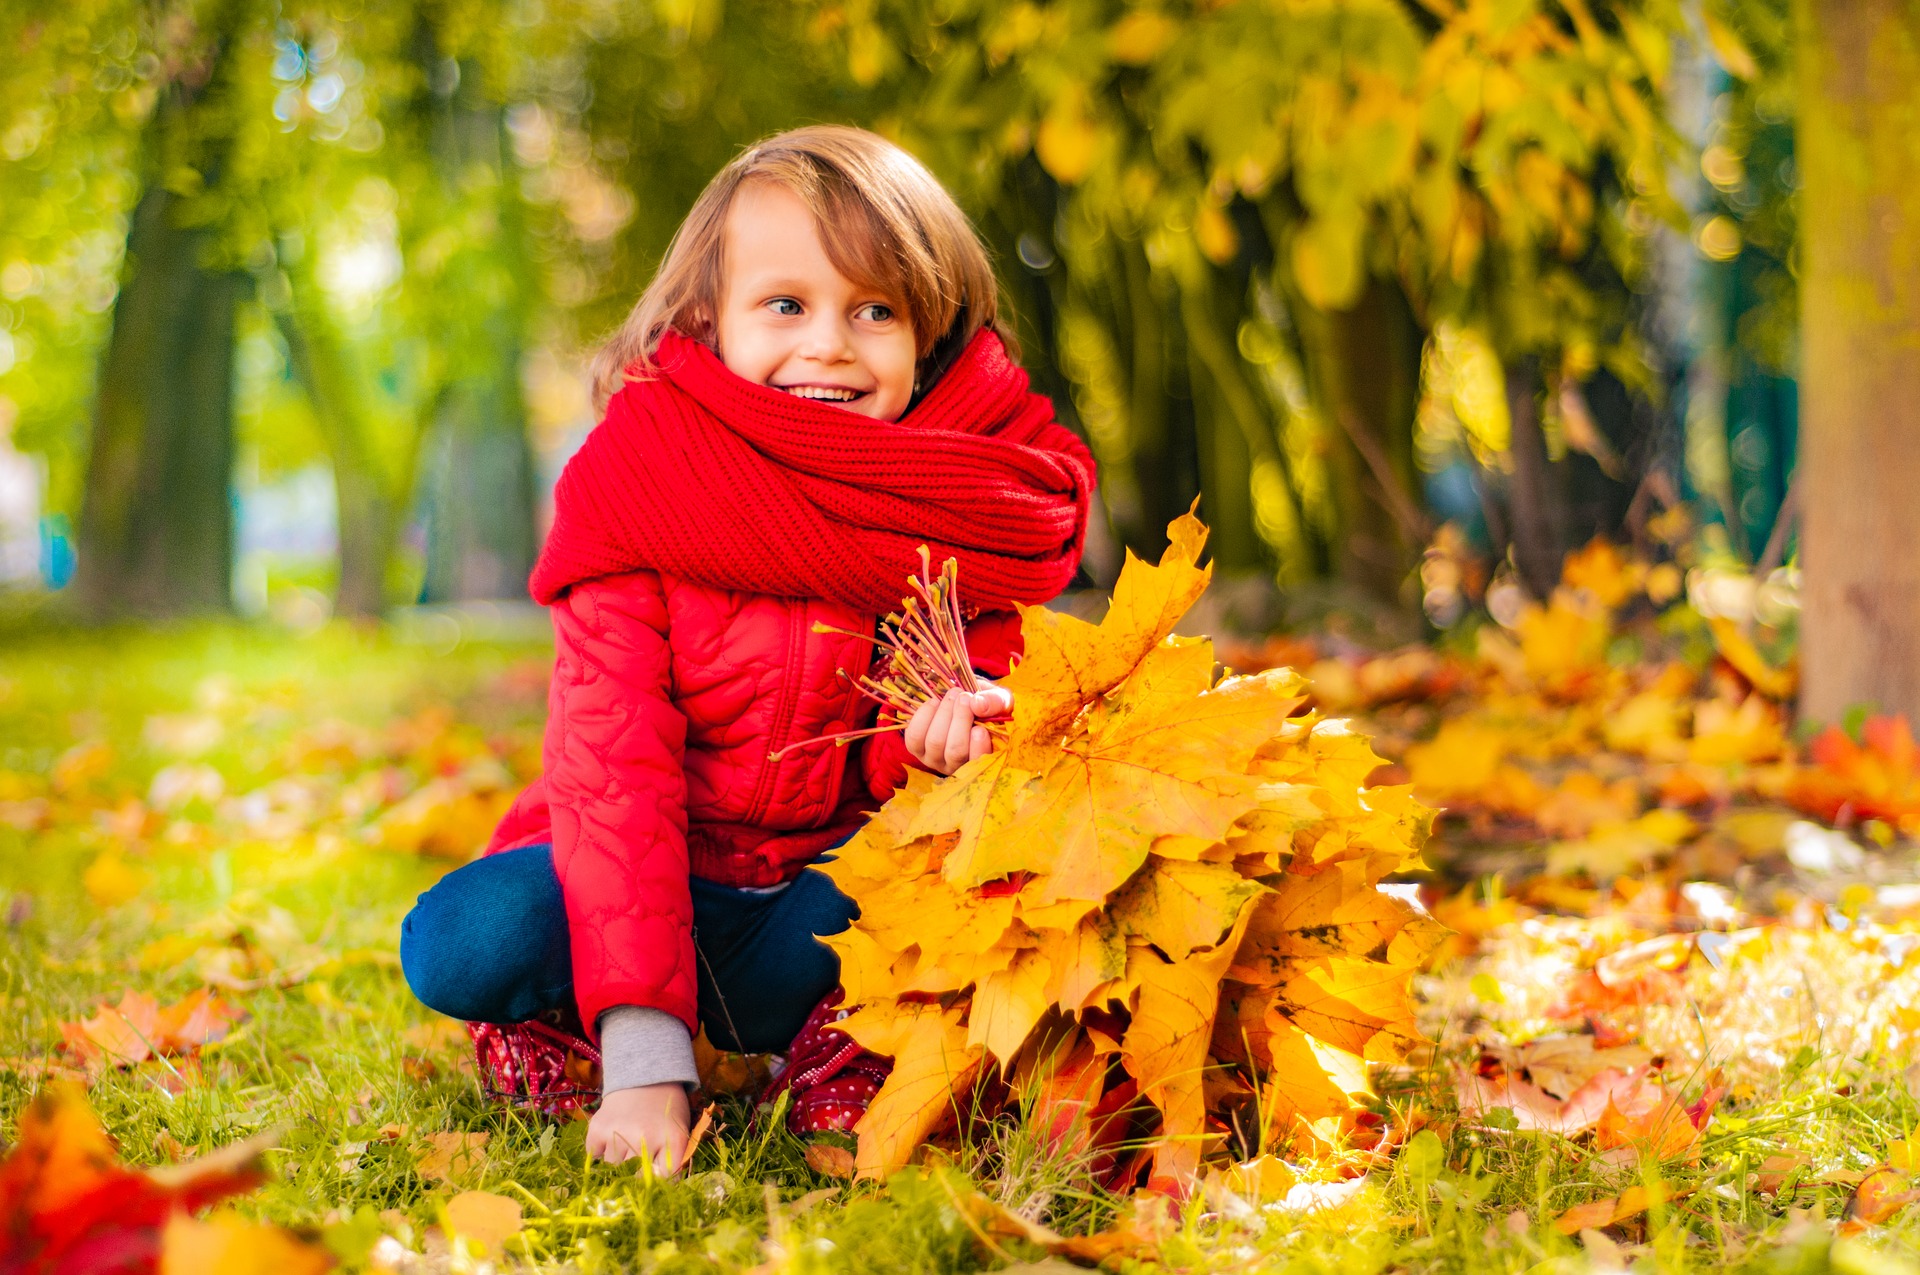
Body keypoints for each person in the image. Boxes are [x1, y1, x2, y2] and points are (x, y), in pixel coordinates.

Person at [398, 125, 1094, 1174]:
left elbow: (914, 781)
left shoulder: (948, 499)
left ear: (929, 333)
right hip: (646, 878)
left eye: (875, 310)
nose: (830, 344)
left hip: (816, 911)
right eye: (787, 305)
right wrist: (644, 1064)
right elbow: (611, 773)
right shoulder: (641, 483)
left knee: (984, 862)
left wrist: (941, 746)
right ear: (706, 319)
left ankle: (851, 1051)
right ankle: (576, 1030)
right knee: (467, 938)